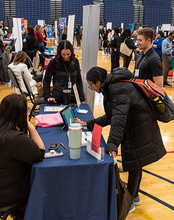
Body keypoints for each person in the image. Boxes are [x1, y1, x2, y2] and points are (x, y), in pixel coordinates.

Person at [73, 66, 166, 214]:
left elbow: (118, 120)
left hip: (140, 128)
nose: (91, 88)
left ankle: (130, 201)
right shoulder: (112, 87)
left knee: (135, 163)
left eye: (90, 85)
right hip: (135, 125)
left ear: (98, 82)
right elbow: (111, 116)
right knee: (136, 163)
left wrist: (112, 145)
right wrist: (88, 124)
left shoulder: (118, 90)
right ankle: (134, 196)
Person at [0, 93, 45, 210]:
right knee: (45, 184)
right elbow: (40, 153)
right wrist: (29, 125)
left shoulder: (4, 130)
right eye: (27, 109)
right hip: (9, 193)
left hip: (4, 185)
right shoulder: (14, 138)